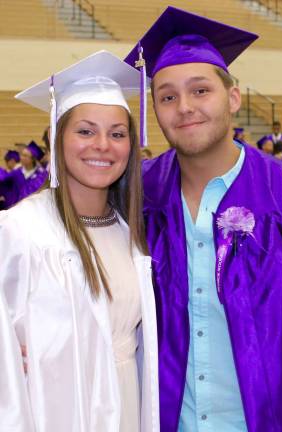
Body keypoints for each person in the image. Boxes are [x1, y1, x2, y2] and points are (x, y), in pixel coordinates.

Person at [125, 6, 282, 432]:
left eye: (200, 90)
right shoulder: (137, 194)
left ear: (233, 98)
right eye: (167, 96)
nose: (184, 107)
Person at [0, 50, 159, 432]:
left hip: (127, 407)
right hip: (53, 413)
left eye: (117, 134)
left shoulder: (131, 233)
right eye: (85, 131)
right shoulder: (20, 230)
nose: (103, 145)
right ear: (58, 138)